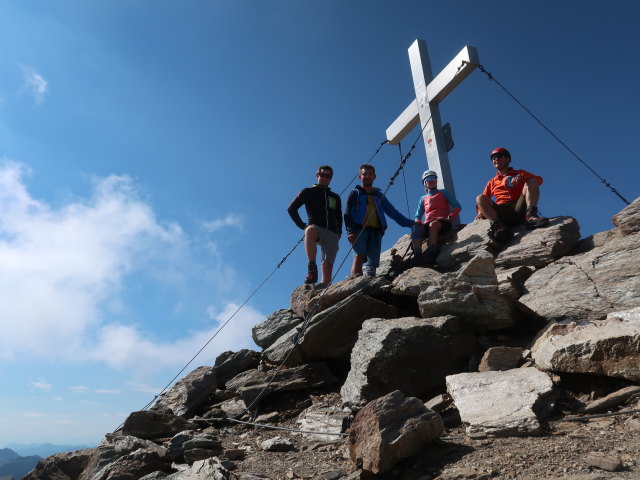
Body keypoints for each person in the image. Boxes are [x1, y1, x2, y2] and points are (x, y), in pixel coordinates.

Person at [344, 163, 414, 276]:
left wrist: (411, 223)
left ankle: (368, 283)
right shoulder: (355, 193)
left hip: (376, 231)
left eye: (370, 174)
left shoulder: (379, 195)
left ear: (374, 177)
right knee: (358, 256)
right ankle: (354, 283)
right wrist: (350, 231)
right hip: (358, 230)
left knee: (373, 260)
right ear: (359, 177)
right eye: (364, 174)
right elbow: (348, 214)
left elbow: (393, 213)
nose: (367, 176)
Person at [476, 147, 549, 241]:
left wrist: (521, 177)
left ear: (508, 159)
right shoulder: (491, 182)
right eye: (493, 158)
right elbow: (482, 201)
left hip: (520, 208)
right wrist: (479, 213)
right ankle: (499, 227)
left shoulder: (519, 173)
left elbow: (539, 180)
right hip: (503, 213)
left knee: (532, 181)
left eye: (499, 156)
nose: (496, 159)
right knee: (480, 198)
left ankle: (531, 217)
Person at [288, 165, 342, 285]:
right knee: (310, 230)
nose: (324, 178)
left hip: (332, 232)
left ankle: (322, 292)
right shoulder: (308, 192)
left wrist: (339, 231)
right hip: (316, 228)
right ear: (317, 176)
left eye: (327, 176)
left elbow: (339, 215)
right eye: (322, 175)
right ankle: (312, 268)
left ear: (330, 179)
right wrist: (303, 225)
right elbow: (291, 209)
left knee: (328, 270)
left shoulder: (335, 197)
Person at [411, 170, 462, 265]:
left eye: (433, 178)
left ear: (436, 180)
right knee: (415, 228)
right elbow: (418, 215)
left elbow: (457, 206)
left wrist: (450, 217)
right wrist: (418, 221)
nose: (431, 180)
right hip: (428, 223)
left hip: (442, 222)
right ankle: (417, 255)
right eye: (428, 179)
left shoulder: (444, 192)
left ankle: (432, 253)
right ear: (424, 183)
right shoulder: (423, 198)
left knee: (433, 225)